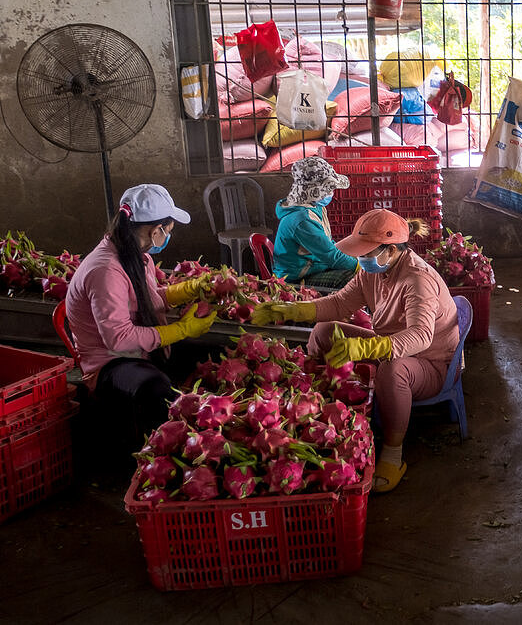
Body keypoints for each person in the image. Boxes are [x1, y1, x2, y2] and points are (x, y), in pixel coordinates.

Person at [252, 209, 459, 493]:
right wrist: (295, 310)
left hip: (430, 364)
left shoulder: (417, 280)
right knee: (325, 330)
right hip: (388, 343)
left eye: (367, 253)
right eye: (360, 252)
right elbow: (339, 304)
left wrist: (369, 346)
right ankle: (312, 394)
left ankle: (393, 453)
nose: (361, 259)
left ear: (392, 249)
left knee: (393, 369)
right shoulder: (373, 272)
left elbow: (421, 336)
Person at [65, 184, 218, 440]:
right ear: (155, 230)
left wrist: (188, 289)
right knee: (155, 388)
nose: (168, 237)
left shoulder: (137, 256)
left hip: (139, 350)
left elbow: (148, 298)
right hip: (110, 362)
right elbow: (119, 339)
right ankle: (154, 456)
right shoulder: (106, 270)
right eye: (168, 231)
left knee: (210, 353)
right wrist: (181, 330)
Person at [272, 155, 360, 288]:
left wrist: (355, 257)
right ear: (314, 191)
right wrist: (360, 267)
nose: (331, 193)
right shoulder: (302, 221)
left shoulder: (315, 208)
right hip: (296, 279)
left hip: (315, 267)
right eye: (328, 189)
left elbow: (328, 246)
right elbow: (331, 256)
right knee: (351, 278)